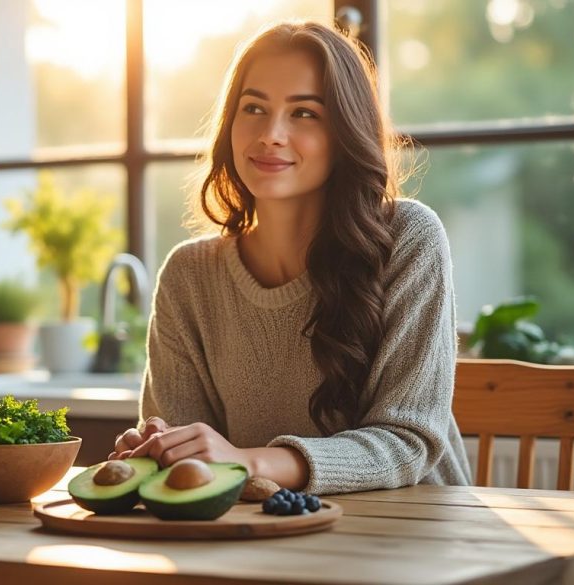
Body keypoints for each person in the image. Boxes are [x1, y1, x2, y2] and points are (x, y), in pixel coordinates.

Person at [110, 20, 473, 496]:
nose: (271, 134)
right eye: (254, 108)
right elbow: (190, 462)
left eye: (304, 114)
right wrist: (163, 448)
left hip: (418, 538)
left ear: (345, 131)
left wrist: (246, 460)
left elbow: (407, 443)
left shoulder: (408, 238)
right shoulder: (188, 275)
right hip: (264, 537)